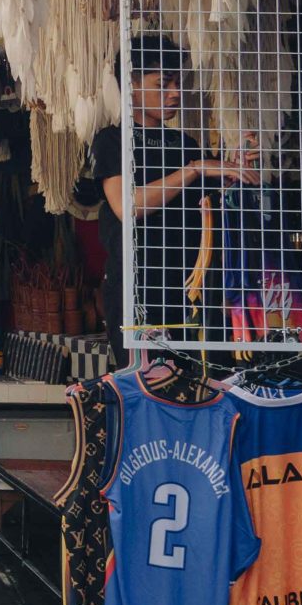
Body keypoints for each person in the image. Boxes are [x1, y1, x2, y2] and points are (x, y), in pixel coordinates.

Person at [88, 35, 257, 365]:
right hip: (137, 285)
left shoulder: (185, 143)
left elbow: (208, 206)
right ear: (133, 86)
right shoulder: (111, 140)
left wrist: (233, 167)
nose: (176, 93)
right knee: (147, 381)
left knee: (198, 379)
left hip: (190, 287)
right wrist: (193, 170)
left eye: (178, 83)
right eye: (163, 83)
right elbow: (128, 206)